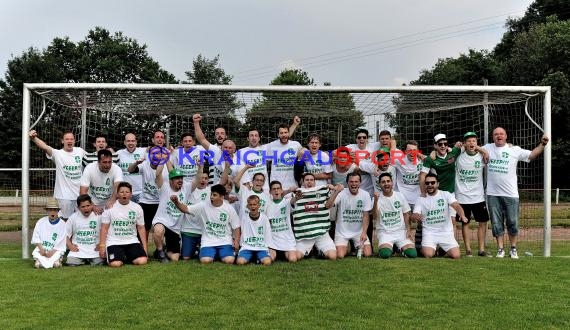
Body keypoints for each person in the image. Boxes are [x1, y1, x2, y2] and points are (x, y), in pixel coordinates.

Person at [483, 127, 549, 258]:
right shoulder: (487, 148)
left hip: (511, 194)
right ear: (493, 137)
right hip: (492, 194)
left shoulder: (514, 150)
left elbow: (532, 155)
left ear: (506, 136)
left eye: (501, 133)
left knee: (512, 222)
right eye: (496, 134)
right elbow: (472, 148)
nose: (499, 136)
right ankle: (500, 249)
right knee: (496, 223)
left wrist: (543, 144)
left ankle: (513, 248)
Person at [171, 184, 241, 265]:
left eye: (214, 195)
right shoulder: (203, 205)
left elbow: (236, 226)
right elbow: (186, 209)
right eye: (211, 194)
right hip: (208, 241)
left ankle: (217, 254)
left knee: (229, 261)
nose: (211, 197)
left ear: (222, 197)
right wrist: (176, 202)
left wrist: (236, 241)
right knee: (205, 261)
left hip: (225, 241)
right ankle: (208, 253)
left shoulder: (229, 209)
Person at [29, 129, 86, 220]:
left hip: (79, 195)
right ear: (62, 141)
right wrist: (34, 138)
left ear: (74, 141)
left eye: (71, 139)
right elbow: (45, 147)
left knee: (80, 220)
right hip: (64, 196)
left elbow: (91, 161)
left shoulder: (80, 151)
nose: (69, 141)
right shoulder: (58, 154)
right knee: (65, 221)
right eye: (67, 139)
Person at [411, 173, 468, 259]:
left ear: (437, 184)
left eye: (432, 182)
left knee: (456, 255)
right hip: (429, 232)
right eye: (427, 183)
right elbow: (415, 214)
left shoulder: (446, 194)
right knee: (428, 254)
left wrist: (462, 215)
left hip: (446, 232)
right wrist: (415, 217)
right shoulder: (421, 198)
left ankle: (442, 248)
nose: (430, 185)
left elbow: (456, 205)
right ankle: (423, 248)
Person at [455, 132, 489, 257]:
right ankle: (468, 249)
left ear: (477, 142)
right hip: (462, 197)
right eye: (468, 141)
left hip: (478, 196)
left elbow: (487, 154)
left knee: (483, 222)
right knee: (465, 223)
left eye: (473, 141)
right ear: (464, 143)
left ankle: (481, 249)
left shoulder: (481, 156)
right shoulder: (459, 156)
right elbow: (448, 151)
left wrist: (479, 148)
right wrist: (459, 147)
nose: (471, 143)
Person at [98, 182, 148, 267]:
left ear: (131, 194)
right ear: (117, 194)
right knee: (115, 264)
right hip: (114, 242)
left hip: (131, 240)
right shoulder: (109, 208)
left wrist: (145, 248)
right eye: (121, 192)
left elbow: (141, 228)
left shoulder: (137, 208)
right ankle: (121, 256)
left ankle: (127, 255)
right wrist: (102, 246)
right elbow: (104, 228)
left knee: (142, 261)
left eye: (127, 192)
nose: (124, 194)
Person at [290, 173, 337, 260]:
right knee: (294, 258)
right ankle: (308, 251)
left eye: (311, 180)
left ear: (315, 182)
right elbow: (291, 203)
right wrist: (295, 198)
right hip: (304, 235)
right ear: (302, 182)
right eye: (307, 180)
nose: (309, 182)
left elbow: (328, 205)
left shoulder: (323, 191)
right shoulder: (297, 193)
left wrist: (335, 191)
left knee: (333, 256)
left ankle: (320, 252)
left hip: (321, 233)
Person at [325, 173, 372, 258]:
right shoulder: (341, 193)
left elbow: (366, 216)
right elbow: (328, 205)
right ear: (347, 183)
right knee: (340, 255)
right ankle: (346, 248)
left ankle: (358, 247)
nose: (354, 184)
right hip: (342, 232)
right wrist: (336, 192)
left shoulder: (365, 194)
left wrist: (364, 233)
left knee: (367, 254)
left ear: (360, 183)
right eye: (351, 182)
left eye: (356, 182)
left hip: (359, 232)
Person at [372, 173, 416, 259]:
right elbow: (374, 217)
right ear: (379, 184)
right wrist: (376, 201)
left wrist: (408, 230)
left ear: (392, 183)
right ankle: (390, 248)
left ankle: (401, 250)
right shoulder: (376, 198)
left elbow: (406, 214)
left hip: (400, 231)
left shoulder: (399, 195)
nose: (386, 184)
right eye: (383, 182)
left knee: (412, 254)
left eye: (388, 181)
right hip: (385, 232)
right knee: (385, 254)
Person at [152, 162, 187, 263]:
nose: (180, 180)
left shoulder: (185, 189)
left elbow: (197, 179)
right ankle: (160, 253)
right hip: (162, 221)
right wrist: (163, 161)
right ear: (171, 181)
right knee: (158, 230)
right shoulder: (164, 187)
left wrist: (200, 167)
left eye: (181, 178)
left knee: (175, 258)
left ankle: (164, 249)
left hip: (175, 228)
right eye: (177, 178)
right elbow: (158, 174)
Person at [179, 166, 210, 261]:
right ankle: (193, 249)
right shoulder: (189, 189)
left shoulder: (211, 191)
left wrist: (227, 167)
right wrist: (200, 168)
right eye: (201, 178)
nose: (203, 180)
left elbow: (223, 181)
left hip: (204, 231)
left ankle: (198, 249)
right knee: (185, 257)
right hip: (188, 230)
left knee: (204, 257)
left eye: (206, 178)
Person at [79, 149, 124, 214]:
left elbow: (118, 186)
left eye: (109, 162)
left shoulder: (117, 169)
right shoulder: (89, 168)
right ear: (98, 162)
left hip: (111, 201)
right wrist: (92, 206)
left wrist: (111, 202)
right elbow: (83, 191)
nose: (108, 165)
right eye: (105, 162)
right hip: (92, 201)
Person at [65, 194, 104, 266]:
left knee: (100, 262)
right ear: (78, 207)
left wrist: (101, 244)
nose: (86, 208)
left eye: (88, 206)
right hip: (78, 250)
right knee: (71, 263)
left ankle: (89, 260)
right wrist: (70, 245)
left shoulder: (98, 216)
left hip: (94, 249)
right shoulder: (73, 217)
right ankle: (82, 260)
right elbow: (65, 234)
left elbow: (105, 232)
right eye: (83, 206)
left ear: (92, 205)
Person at [265, 123, 303, 192]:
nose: (284, 135)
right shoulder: (271, 146)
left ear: (289, 133)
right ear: (278, 135)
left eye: (286, 132)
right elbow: (265, 162)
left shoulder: (296, 145)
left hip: (292, 185)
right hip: (276, 186)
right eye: (281, 133)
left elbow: (305, 153)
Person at [266, 180, 297, 262]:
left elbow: (294, 200)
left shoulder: (287, 201)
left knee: (293, 259)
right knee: (269, 259)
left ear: (281, 190)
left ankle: (283, 254)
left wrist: (296, 196)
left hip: (287, 239)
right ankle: (276, 254)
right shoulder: (267, 205)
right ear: (270, 192)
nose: (276, 190)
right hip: (273, 240)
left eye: (278, 188)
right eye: (274, 189)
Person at [236, 195, 273, 266]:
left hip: (261, 247)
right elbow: (241, 232)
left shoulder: (264, 218)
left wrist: (268, 247)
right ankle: (253, 258)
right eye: (250, 205)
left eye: (255, 204)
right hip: (247, 247)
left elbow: (267, 234)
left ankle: (256, 258)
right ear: (248, 206)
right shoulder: (244, 218)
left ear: (259, 205)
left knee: (267, 262)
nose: (253, 206)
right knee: (240, 262)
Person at [31, 198, 66, 268]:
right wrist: (41, 249)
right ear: (47, 211)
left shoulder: (62, 224)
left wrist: (52, 252)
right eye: (50, 210)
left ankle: (56, 260)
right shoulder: (41, 221)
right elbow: (36, 237)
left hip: (55, 249)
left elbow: (61, 241)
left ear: (58, 211)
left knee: (58, 254)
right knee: (37, 254)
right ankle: (39, 261)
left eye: (54, 210)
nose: (52, 212)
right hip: (43, 247)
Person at [117, 133, 146, 203]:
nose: (130, 143)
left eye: (133, 141)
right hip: (125, 193)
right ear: (124, 142)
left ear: (136, 142)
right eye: (128, 141)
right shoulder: (119, 153)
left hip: (141, 193)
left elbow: (156, 150)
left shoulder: (144, 151)